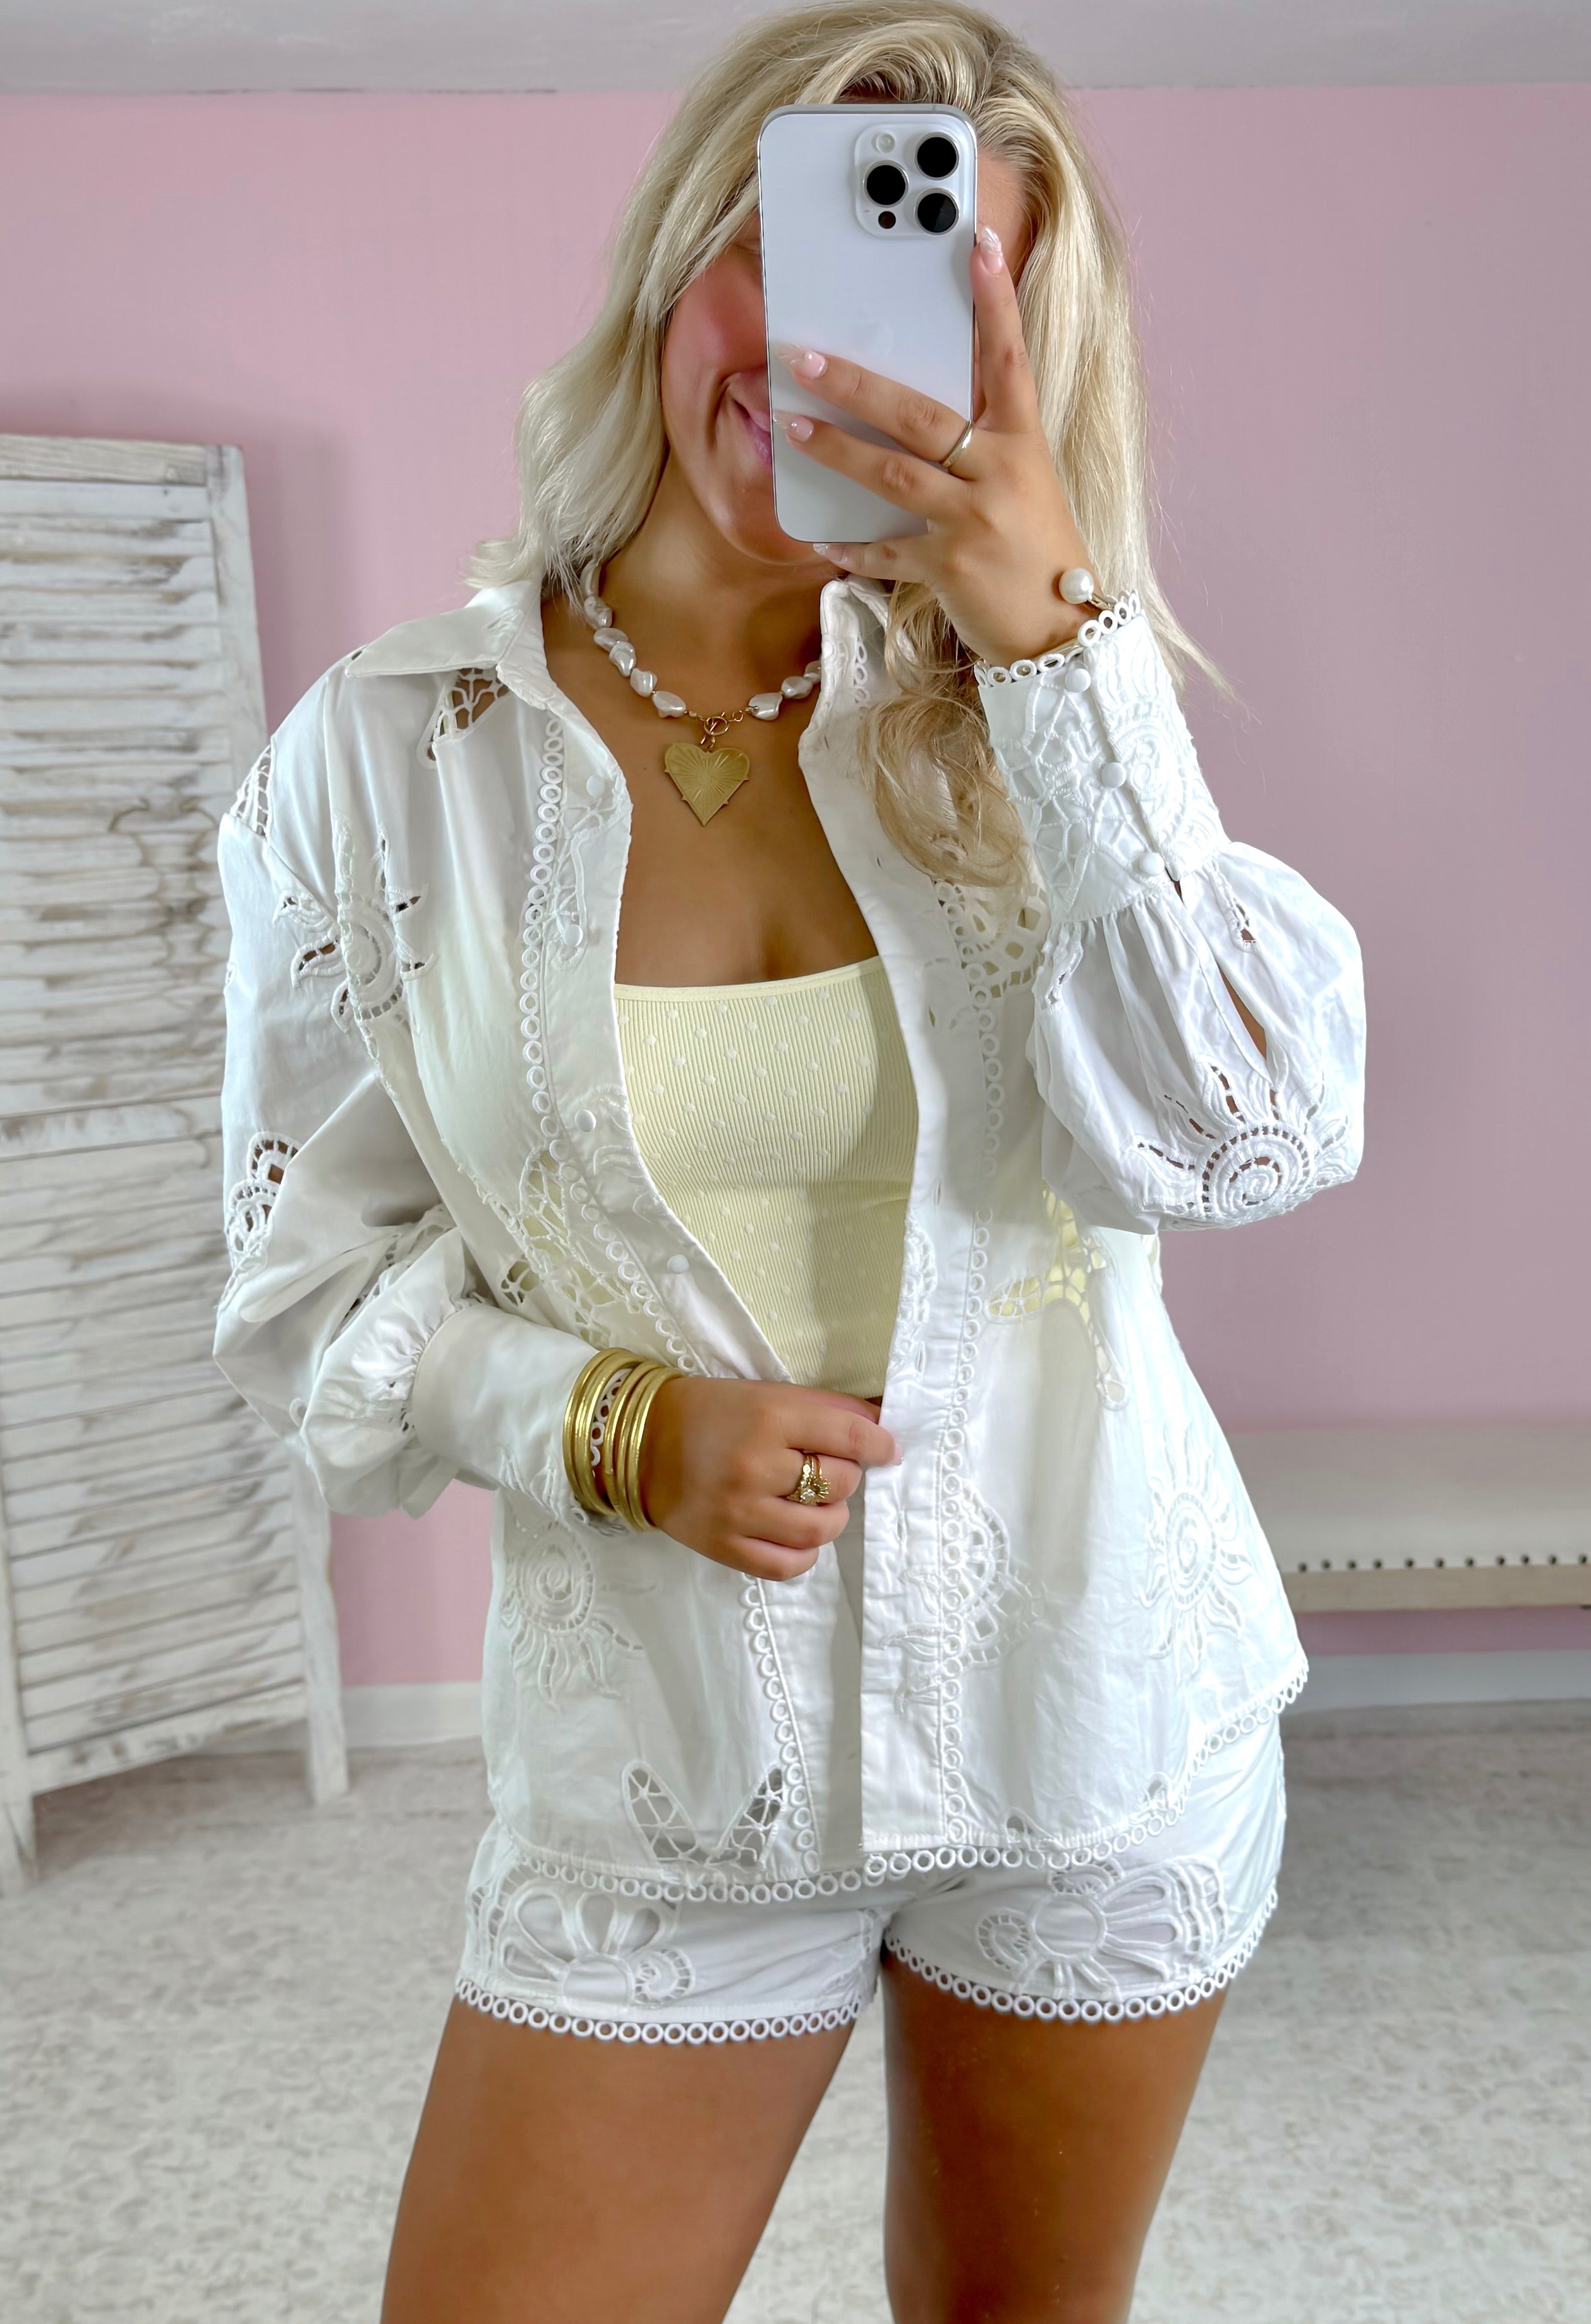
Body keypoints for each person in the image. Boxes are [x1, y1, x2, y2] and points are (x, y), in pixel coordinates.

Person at [212, 4, 1365, 2316]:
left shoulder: (1041, 718)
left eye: (935, 296)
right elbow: (303, 1293)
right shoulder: (397, 754)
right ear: (678, 262)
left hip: (1092, 1734)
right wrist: (608, 1424)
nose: (824, 350)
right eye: (791, 247)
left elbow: (1251, 1134)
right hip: (671, 1772)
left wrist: (1056, 644)